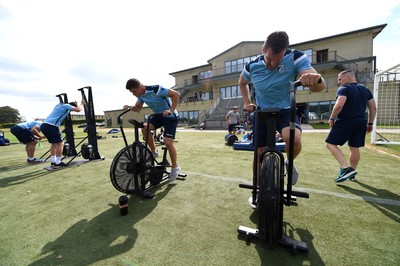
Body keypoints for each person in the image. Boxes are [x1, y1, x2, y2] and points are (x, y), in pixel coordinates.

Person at [238, 31, 326, 208]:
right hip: (262, 111)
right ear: (264, 49)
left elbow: (319, 86)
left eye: (278, 60)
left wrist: (315, 80)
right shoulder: (251, 66)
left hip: (286, 110)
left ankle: (288, 161)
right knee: (259, 152)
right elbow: (242, 83)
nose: (273, 64)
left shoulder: (295, 57)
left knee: (293, 140)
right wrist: (247, 102)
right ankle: (256, 190)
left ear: (285, 51)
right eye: (270, 59)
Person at [124, 78, 181, 182]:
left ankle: (175, 168)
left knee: (168, 143)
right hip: (159, 116)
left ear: (140, 87)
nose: (133, 94)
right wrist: (130, 107)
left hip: (170, 116)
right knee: (144, 129)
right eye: (131, 92)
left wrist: (171, 110)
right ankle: (154, 152)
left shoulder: (156, 89)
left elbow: (176, 94)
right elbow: (138, 109)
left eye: (134, 91)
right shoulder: (141, 96)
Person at [326, 70, 376, 182]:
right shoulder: (366, 89)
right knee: (354, 147)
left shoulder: (345, 89)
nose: (339, 82)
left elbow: (339, 105)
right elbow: (373, 108)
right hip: (361, 122)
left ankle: (345, 169)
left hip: (346, 121)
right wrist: (370, 123)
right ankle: (352, 173)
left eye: (340, 79)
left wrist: (332, 117)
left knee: (330, 144)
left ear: (348, 77)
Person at [40, 101, 85, 168]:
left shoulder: (58, 105)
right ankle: (58, 162)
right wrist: (82, 104)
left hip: (44, 125)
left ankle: (54, 161)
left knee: (54, 144)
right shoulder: (66, 106)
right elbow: (78, 109)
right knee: (60, 143)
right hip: (51, 126)